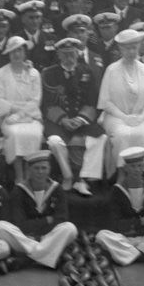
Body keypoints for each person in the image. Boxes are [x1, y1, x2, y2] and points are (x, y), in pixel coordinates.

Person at [42, 36, 107, 196]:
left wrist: (81, 119)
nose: (69, 58)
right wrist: (63, 120)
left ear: (77, 53)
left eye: (72, 53)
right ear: (58, 55)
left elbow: (92, 100)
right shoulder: (49, 73)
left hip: (81, 119)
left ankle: (84, 177)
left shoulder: (87, 72)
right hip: (59, 121)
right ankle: (68, 176)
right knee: (55, 142)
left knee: (101, 138)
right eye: (65, 54)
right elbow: (48, 103)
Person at [0, 151, 79, 269]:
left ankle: (26, 260)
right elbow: (19, 224)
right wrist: (46, 221)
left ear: (49, 169)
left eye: (44, 168)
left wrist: (40, 228)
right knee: (0, 227)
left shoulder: (57, 189)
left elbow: (61, 219)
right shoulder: (19, 191)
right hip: (26, 237)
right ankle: (46, 254)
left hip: (49, 237)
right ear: (29, 170)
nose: (40, 172)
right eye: (36, 168)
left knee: (70, 228)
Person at [98, 28, 144, 170]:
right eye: (127, 48)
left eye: (134, 48)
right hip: (116, 116)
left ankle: (140, 173)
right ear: (120, 49)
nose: (131, 52)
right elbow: (106, 101)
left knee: (143, 135)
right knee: (122, 135)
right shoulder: (112, 70)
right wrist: (124, 117)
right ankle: (122, 172)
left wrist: (140, 117)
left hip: (141, 117)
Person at [0, 35, 45, 183]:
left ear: (24, 52)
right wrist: (14, 111)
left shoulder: (34, 73)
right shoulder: (1, 73)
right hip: (8, 117)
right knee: (15, 134)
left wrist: (21, 114)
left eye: (20, 50)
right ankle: (19, 176)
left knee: (33, 134)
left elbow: (36, 100)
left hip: (30, 117)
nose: (16, 54)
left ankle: (30, 177)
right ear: (9, 54)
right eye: (13, 51)